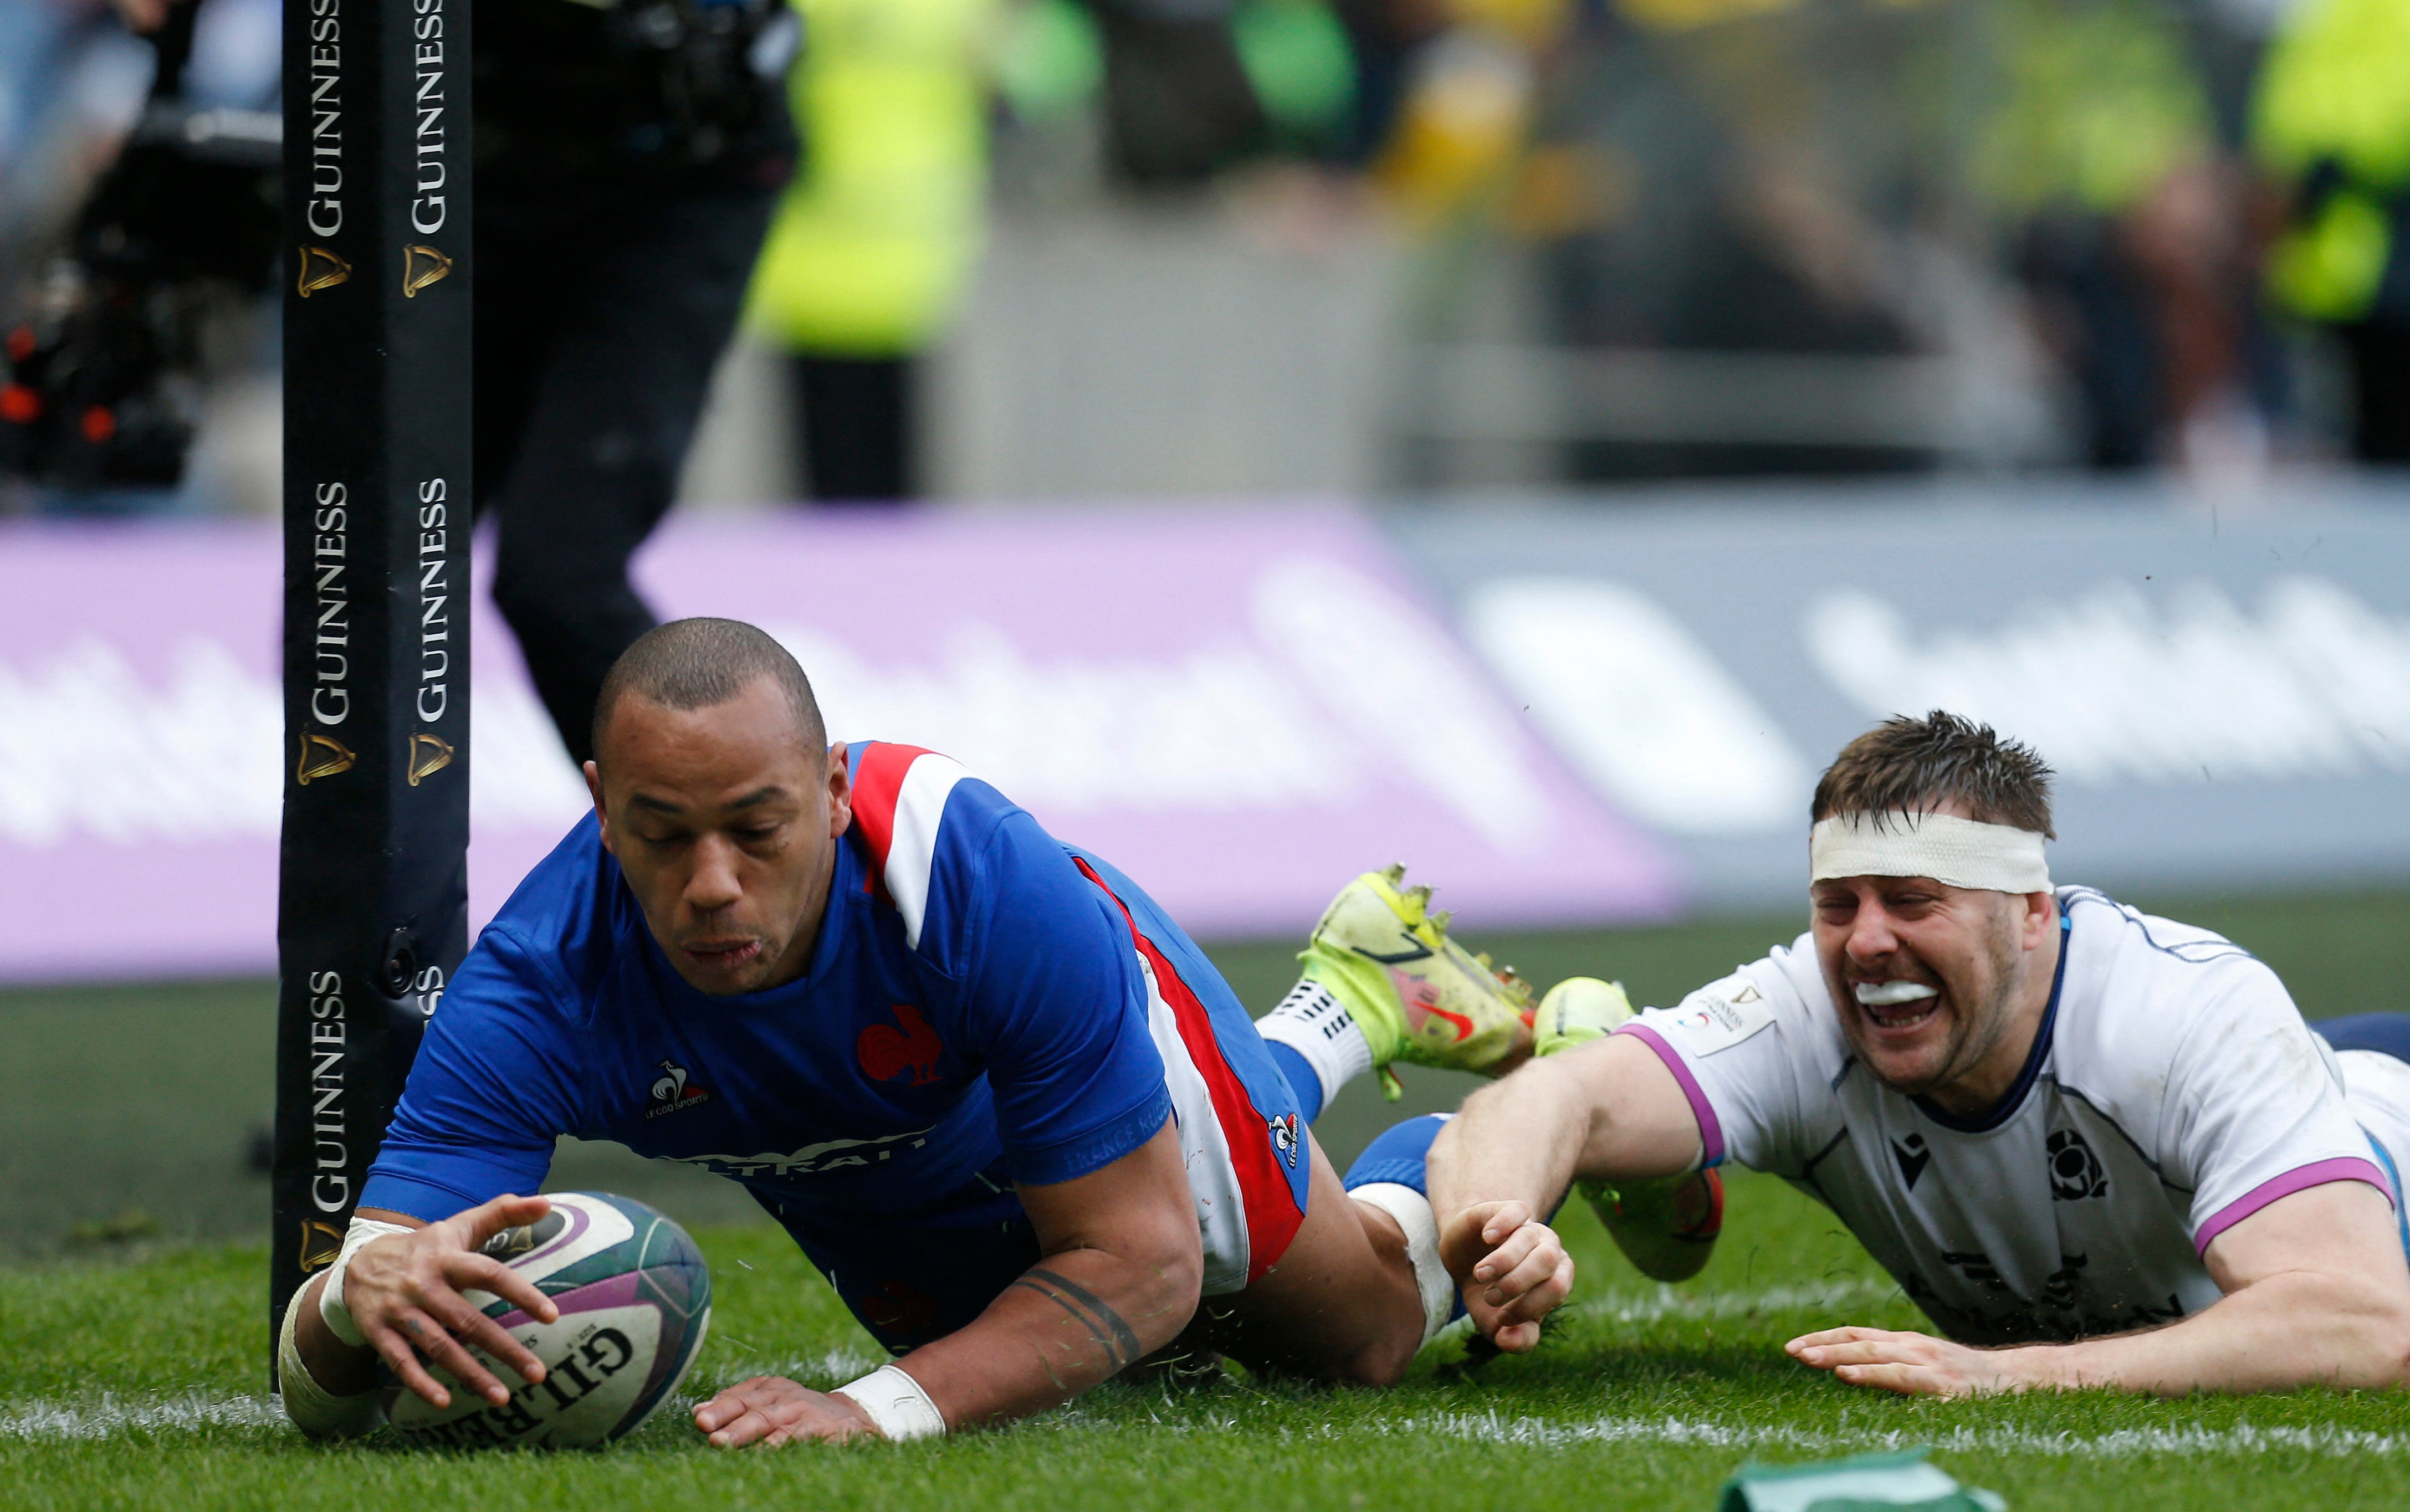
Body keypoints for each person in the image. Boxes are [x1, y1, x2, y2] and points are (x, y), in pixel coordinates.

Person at [273, 618, 1533, 1445]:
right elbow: (325, 1368)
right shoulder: (535, 988)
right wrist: (347, 1297)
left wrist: (872, 1409)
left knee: (1350, 1341)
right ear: (601, 807)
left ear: (829, 791)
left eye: (758, 829)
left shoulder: (975, 879)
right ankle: (1355, 1000)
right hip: (884, 1185)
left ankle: (1464, 1132)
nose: (712, 881)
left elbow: (1140, 1263)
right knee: (1139, 1382)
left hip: (1082, 1047)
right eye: (663, 833)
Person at [1429, 710, 2410, 1393]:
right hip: (2329, 1096)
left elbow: (2358, 1324)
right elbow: (1561, 1091)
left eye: (1913, 899)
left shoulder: (2181, 1008)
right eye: (1838, 905)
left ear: (2030, 914)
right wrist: (1492, 1223)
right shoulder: (1807, 1001)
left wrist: (2007, 1378)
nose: (1866, 943)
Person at [101, 0, 797, 760]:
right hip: (452, 160)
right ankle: (365, 896)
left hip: (673, 175)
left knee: (559, 579)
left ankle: (752, 867)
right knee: (351, 586)